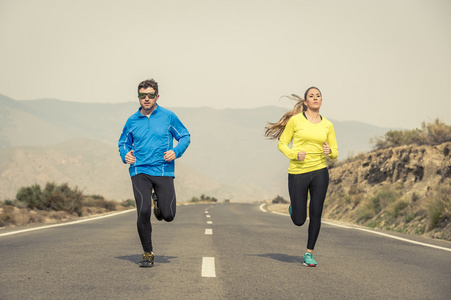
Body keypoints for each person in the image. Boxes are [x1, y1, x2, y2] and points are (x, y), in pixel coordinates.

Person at [118, 79, 190, 267]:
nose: (147, 99)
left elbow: (184, 136)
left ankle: (158, 202)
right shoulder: (132, 120)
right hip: (139, 170)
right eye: (143, 95)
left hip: (163, 170)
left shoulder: (168, 116)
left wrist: (176, 151)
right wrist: (125, 154)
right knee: (142, 211)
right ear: (138, 97)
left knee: (168, 215)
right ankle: (147, 253)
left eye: (150, 95)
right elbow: (123, 142)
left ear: (157, 96)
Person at [265, 87, 338, 267]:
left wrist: (330, 152)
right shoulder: (296, 121)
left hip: (320, 171)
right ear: (305, 102)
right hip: (298, 171)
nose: (315, 98)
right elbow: (282, 144)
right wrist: (294, 155)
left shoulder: (328, 125)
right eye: (311, 96)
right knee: (299, 220)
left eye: (318, 96)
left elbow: (335, 152)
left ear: (321, 100)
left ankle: (309, 253)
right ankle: (295, 208)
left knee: (316, 213)